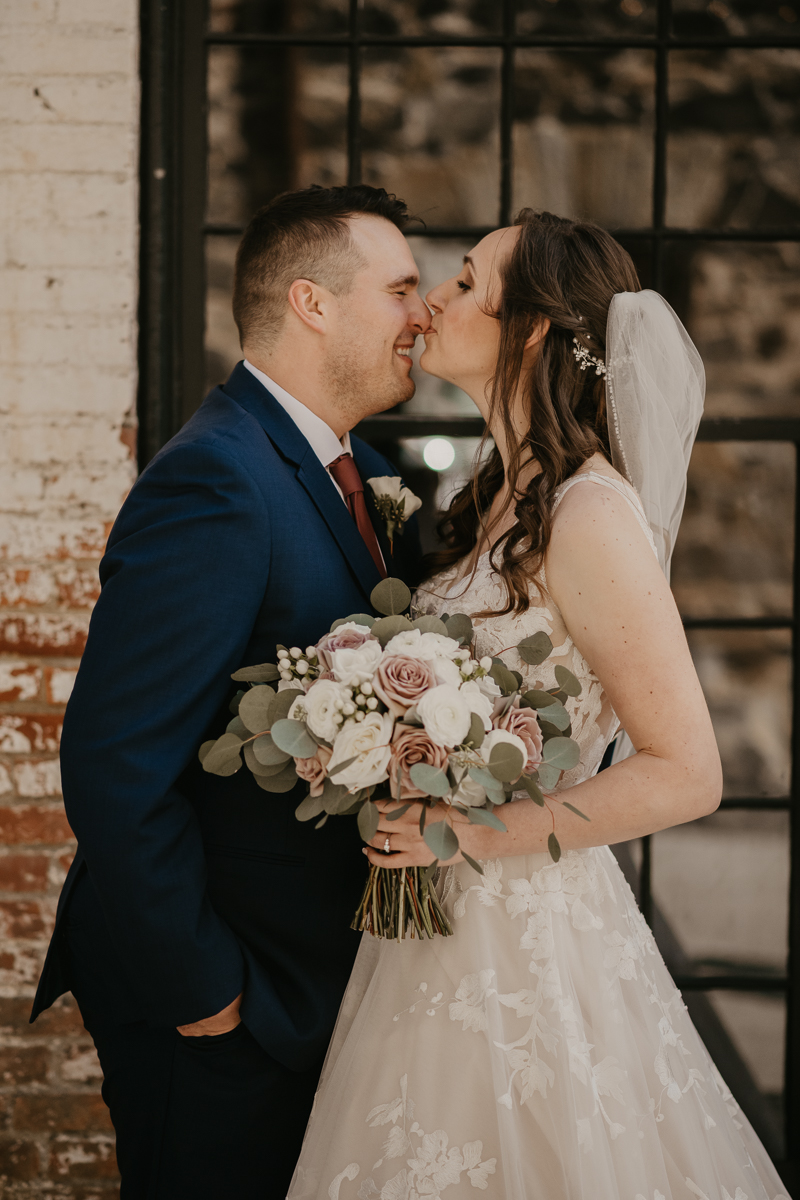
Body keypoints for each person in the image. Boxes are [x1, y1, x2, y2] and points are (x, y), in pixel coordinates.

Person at [288, 211, 791, 1199]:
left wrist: (470, 836)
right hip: (430, 933)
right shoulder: (496, 502)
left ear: (529, 330)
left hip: (529, 939)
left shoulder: (588, 514)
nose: (433, 298)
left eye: (465, 281)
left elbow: (687, 773)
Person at [30, 184, 430, 1199]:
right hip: (224, 999)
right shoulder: (214, 478)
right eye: (400, 290)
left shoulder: (359, 472)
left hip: (311, 988)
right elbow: (116, 765)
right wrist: (208, 996)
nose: (419, 315)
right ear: (313, 302)